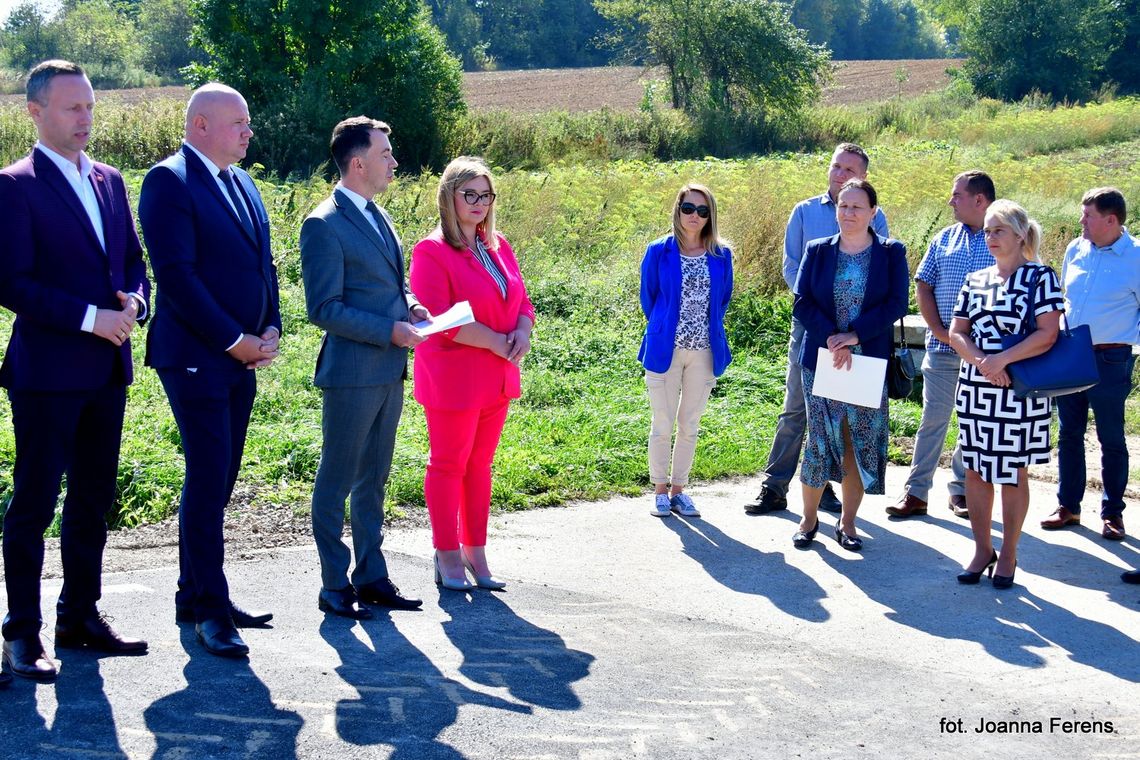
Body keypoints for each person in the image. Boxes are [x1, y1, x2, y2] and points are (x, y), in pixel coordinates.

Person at [0, 59, 151, 682]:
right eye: (71, 107)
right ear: (35, 112)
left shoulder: (112, 180)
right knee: (35, 503)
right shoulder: (15, 184)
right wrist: (90, 318)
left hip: (106, 368)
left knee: (93, 497)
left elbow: (134, 262)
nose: (85, 117)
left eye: (89, 105)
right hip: (47, 372)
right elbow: (11, 281)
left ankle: (80, 617)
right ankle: (23, 635)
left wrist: (136, 302)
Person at [138, 83, 281, 657]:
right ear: (200, 125)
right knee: (207, 474)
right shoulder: (168, 181)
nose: (248, 131)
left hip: (241, 353)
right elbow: (177, 277)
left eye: (248, 122)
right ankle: (210, 611)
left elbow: (261, 262)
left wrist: (270, 325)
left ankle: (193, 592)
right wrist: (232, 340)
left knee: (221, 478)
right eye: (238, 123)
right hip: (195, 356)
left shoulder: (242, 181)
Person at [300, 117, 429, 619]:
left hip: (388, 369)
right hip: (353, 371)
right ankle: (334, 585)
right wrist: (389, 329)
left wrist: (411, 305)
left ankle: (371, 576)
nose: (394, 161)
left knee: (373, 480)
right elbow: (324, 308)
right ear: (358, 163)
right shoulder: (323, 224)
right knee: (336, 480)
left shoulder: (378, 214)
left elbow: (389, 285)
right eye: (386, 153)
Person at [409, 156, 535, 592]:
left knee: (480, 467)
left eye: (486, 195)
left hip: (497, 377)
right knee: (448, 465)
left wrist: (522, 329)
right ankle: (446, 554)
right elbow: (441, 320)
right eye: (470, 194)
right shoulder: (432, 251)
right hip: (454, 378)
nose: (479, 203)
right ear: (449, 196)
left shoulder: (498, 245)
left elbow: (522, 301)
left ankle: (475, 552)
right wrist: (502, 343)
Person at [745, 143, 889, 517]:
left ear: (864, 179)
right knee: (797, 407)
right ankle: (774, 487)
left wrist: (850, 333)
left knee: (843, 416)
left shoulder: (877, 216)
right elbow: (793, 270)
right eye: (836, 167)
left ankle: (826, 490)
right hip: (812, 330)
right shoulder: (805, 211)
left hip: (859, 340)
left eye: (849, 170)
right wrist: (826, 328)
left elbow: (880, 275)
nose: (840, 175)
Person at [790, 179, 908, 551]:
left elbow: (895, 304)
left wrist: (854, 336)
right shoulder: (818, 250)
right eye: (843, 206)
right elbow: (802, 301)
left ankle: (849, 523)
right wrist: (832, 337)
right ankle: (808, 520)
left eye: (857, 207)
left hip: (866, 362)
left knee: (856, 442)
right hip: (822, 360)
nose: (848, 213)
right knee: (819, 440)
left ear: (874, 212)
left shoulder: (891, 253)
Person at [949, 200, 1062, 589]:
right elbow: (957, 332)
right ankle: (982, 549)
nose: (991, 237)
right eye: (987, 231)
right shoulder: (975, 279)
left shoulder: (1041, 277)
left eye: (998, 230)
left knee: (1013, 472)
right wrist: (984, 363)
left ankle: (1009, 553)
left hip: (1020, 389)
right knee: (977, 469)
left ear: (1019, 234)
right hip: (978, 387)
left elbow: (1048, 333)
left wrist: (1003, 361)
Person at [887, 171, 996, 519]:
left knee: (972, 423)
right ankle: (916, 493)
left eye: (957, 195)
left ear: (979, 200)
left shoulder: (1005, 237)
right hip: (943, 348)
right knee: (933, 420)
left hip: (985, 356)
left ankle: (961, 490)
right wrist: (940, 330)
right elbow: (924, 284)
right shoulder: (944, 238)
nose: (951, 201)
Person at [1041, 188, 1140, 554]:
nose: (1081, 221)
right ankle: (1068, 506)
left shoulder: (1136, 257)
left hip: (1112, 359)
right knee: (1069, 434)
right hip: (1073, 356)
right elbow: (1066, 297)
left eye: (1088, 216)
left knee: (1111, 439)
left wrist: (1126, 342)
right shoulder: (1075, 249)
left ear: (1111, 220)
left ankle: (1113, 513)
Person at [638, 183, 734, 518]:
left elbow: (722, 300)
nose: (695, 216)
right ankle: (660, 490)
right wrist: (665, 328)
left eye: (702, 211)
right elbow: (649, 298)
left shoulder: (721, 255)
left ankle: (680, 489)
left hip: (705, 351)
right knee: (662, 421)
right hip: (666, 348)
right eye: (688, 208)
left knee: (689, 422)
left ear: (710, 217)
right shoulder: (658, 251)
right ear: (678, 210)